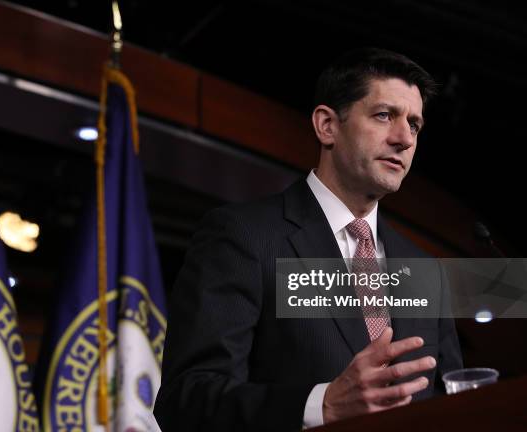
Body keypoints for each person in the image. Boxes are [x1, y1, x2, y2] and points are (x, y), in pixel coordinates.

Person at [153, 47, 463, 431]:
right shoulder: (245, 237)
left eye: (414, 125)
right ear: (327, 126)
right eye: (384, 116)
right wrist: (321, 405)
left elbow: (456, 402)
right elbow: (187, 400)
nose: (404, 139)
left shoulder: (424, 270)